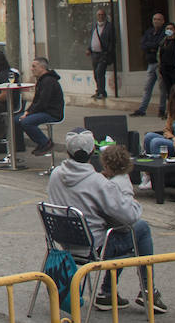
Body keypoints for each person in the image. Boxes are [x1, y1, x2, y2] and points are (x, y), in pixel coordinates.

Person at [47, 129, 165, 313]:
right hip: (93, 247)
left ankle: (109, 292)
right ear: (92, 151)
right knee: (140, 228)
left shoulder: (55, 175)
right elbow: (130, 216)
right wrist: (129, 199)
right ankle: (148, 289)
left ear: (67, 152)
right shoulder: (97, 182)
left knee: (117, 233)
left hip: (64, 241)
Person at [18, 57, 64, 156]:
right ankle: (17, 147)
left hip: (52, 113)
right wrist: (27, 112)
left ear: (42, 67)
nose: (31, 69)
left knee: (26, 122)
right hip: (43, 110)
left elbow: (43, 102)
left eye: (34, 66)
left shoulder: (48, 81)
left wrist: (29, 114)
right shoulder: (41, 81)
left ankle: (45, 143)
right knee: (16, 119)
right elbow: (36, 101)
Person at [142, 84, 175, 157]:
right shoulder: (173, 113)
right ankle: (149, 159)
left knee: (156, 142)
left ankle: (159, 165)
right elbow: (166, 130)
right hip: (174, 141)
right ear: (174, 99)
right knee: (148, 136)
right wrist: (173, 138)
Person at [132, 12, 167, 117]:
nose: (156, 21)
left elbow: (159, 45)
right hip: (151, 63)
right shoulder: (149, 32)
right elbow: (143, 44)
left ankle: (162, 109)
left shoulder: (164, 33)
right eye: (154, 19)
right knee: (147, 87)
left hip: (160, 64)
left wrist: (152, 47)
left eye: (159, 19)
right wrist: (151, 47)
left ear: (163, 21)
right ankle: (142, 109)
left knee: (162, 88)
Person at [85, 8, 115, 100]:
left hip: (104, 54)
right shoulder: (94, 26)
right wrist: (89, 49)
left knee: (100, 72)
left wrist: (108, 52)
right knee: (95, 73)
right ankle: (99, 91)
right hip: (94, 54)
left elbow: (112, 41)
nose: (100, 16)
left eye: (102, 15)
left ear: (105, 16)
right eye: (99, 15)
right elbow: (92, 39)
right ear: (96, 16)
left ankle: (101, 92)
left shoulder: (109, 27)